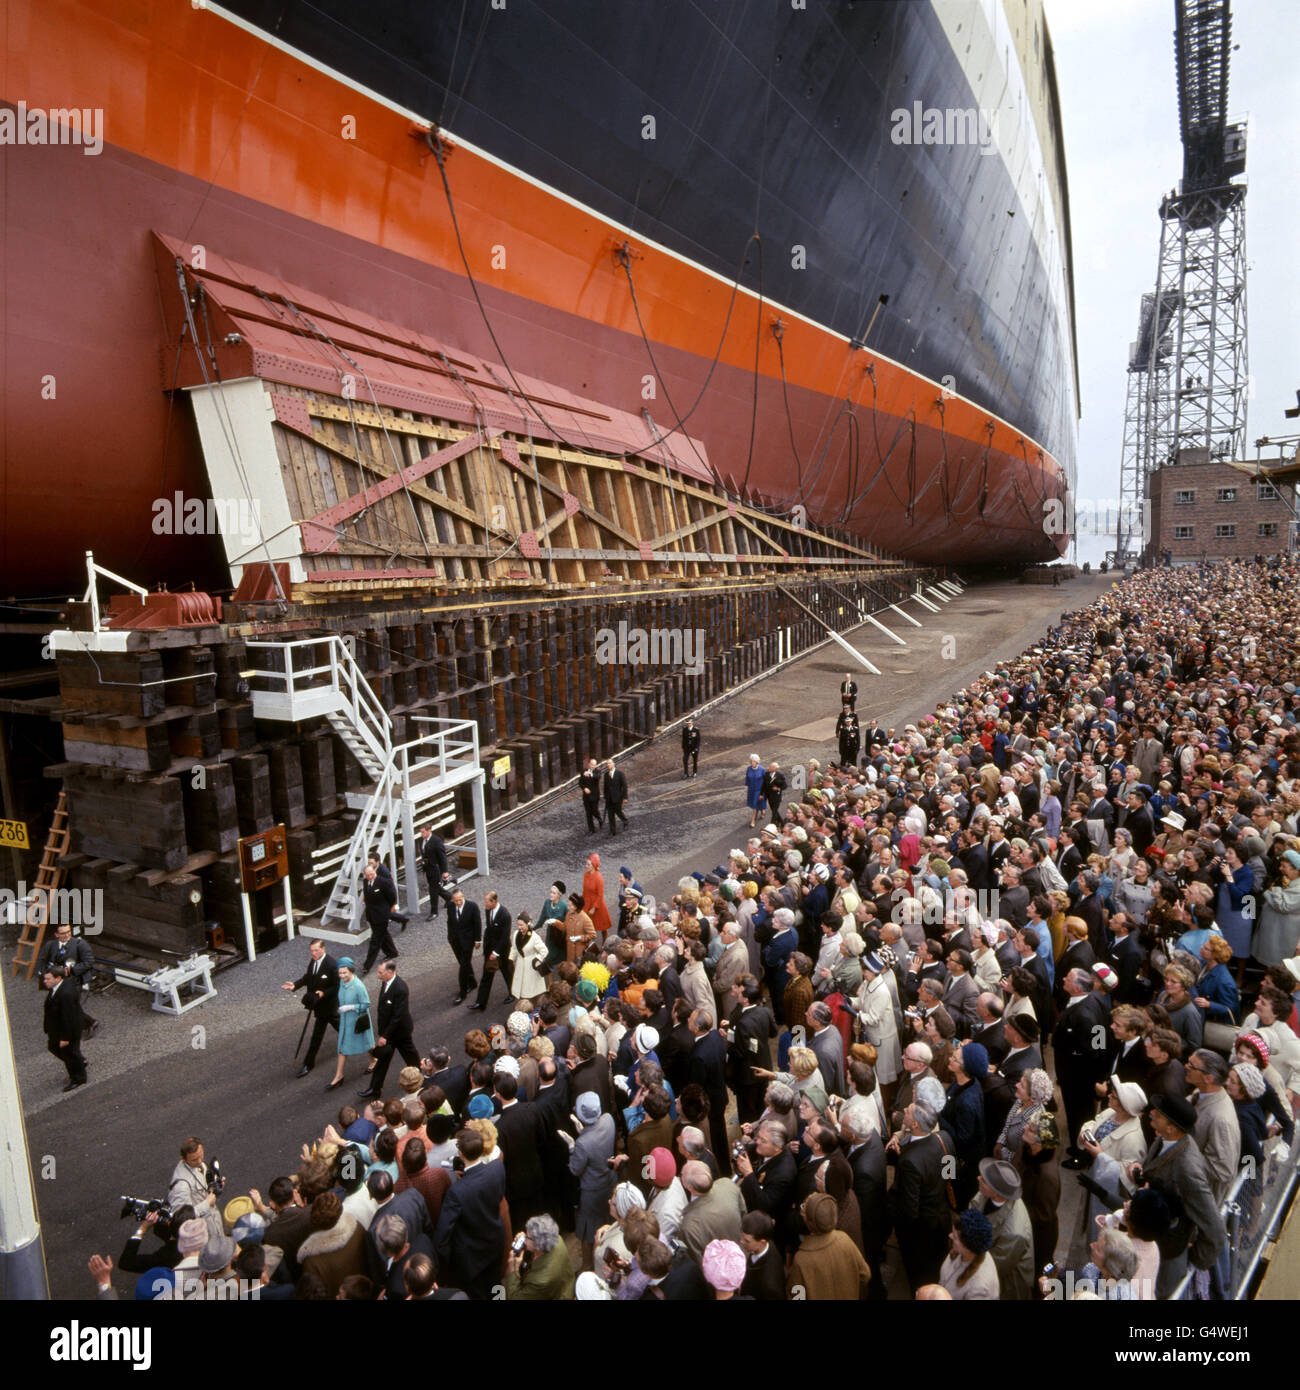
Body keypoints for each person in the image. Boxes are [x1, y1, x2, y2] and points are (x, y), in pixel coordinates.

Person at [1126, 1093, 1226, 1299]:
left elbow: (1215, 1230)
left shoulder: (1188, 1169)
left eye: (1159, 1114)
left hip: (1168, 1255)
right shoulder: (1166, 1139)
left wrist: (1193, 1262)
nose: (1151, 1113)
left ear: (1171, 1128)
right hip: (1154, 1244)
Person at [433, 1127, 507, 1300]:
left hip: (472, 1256)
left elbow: (442, 1236)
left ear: (460, 1153)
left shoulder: (456, 1193)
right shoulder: (497, 1167)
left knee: (478, 1293)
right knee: (496, 1283)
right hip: (495, 1240)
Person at [886, 1101, 951, 1294]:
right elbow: (951, 1174)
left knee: (920, 1277)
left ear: (914, 1125)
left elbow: (910, 1210)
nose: (904, 1111)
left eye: (908, 1111)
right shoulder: (945, 1139)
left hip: (921, 1232)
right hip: (942, 1217)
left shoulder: (909, 1162)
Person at [562, 1091, 616, 1271]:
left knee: (587, 1232)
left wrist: (572, 1147)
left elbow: (575, 1169)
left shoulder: (582, 1144)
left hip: (592, 1192)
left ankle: (587, 1265)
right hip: (609, 1182)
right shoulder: (608, 1119)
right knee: (607, 1221)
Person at [786, 1192, 871, 1300]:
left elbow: (796, 1296)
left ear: (808, 1221)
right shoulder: (844, 1239)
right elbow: (865, 1274)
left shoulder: (801, 1259)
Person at [975, 1158, 1034, 1300]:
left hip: (1008, 1285)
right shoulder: (987, 1194)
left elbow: (994, 1266)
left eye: (983, 1180)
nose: (978, 1178)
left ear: (997, 1194)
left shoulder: (1014, 1232)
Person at [358, 960, 418, 1098]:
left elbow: (398, 1016)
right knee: (383, 1061)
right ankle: (375, 1088)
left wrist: (384, 1036)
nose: (378, 975)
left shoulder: (400, 988)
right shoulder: (386, 982)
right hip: (389, 1032)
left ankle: (421, 1080)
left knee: (411, 1058)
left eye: (380, 972)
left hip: (400, 1032)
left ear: (390, 972)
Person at [284, 939, 340, 1079]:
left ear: (323, 949)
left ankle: (308, 1064)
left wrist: (324, 993)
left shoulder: (332, 964)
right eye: (311, 951)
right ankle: (308, 1064)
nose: (313, 953)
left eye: (316, 950)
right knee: (323, 1033)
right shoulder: (313, 962)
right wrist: (295, 985)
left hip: (329, 1007)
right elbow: (308, 977)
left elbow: (337, 986)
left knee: (333, 1032)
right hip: (319, 1007)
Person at [36, 923, 98, 1036]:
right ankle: (87, 1023)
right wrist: (45, 973)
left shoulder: (80, 944)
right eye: (63, 933)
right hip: (56, 982)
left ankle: (89, 1023)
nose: (67, 935)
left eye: (68, 931)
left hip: (74, 980)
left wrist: (70, 971)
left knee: (68, 1005)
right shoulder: (50, 945)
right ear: (56, 934)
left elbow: (89, 962)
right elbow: (41, 960)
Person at [327, 958, 373, 1091]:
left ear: (351, 971)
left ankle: (374, 1060)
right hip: (345, 1021)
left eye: (345, 973)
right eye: (340, 973)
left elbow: (366, 1004)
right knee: (342, 1047)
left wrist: (349, 1007)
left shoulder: (358, 986)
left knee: (367, 1043)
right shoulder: (342, 982)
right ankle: (339, 1075)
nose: (342, 976)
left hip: (357, 1020)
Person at [504, 1215, 575, 1300]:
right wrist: (526, 1242)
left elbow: (515, 1297)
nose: (524, 1238)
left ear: (538, 1246)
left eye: (527, 1237)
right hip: (565, 1286)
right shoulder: (556, 1239)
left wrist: (513, 1270)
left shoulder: (540, 1281)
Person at [41, 965, 87, 1093]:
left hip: (67, 1030)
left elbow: (68, 1018)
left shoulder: (66, 994)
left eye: (48, 979)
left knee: (70, 1053)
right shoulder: (58, 987)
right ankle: (80, 1062)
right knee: (54, 1047)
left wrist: (65, 1038)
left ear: (58, 978)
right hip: (58, 1028)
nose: (45, 981)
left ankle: (78, 1078)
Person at [938, 1208, 1000, 1300]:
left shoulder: (980, 1289)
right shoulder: (961, 1251)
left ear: (967, 1247)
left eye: (954, 1237)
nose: (950, 1236)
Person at [469, 890, 513, 1011]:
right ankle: (480, 1002)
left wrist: (496, 952)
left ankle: (513, 993)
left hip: (502, 950)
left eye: (487, 902)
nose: (485, 905)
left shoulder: (505, 915)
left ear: (494, 901)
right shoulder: (488, 910)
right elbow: (489, 928)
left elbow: (505, 936)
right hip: (491, 949)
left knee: (507, 972)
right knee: (486, 975)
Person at [360, 864, 399, 975]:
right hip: (371, 915)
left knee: (375, 941)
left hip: (381, 916)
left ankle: (367, 966)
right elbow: (366, 895)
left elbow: (392, 896)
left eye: (371, 874)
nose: (370, 877)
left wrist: (389, 908)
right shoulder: (365, 882)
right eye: (367, 875)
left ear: (375, 872)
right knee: (384, 934)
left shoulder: (383, 882)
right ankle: (392, 952)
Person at [446, 889, 482, 1005]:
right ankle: (472, 982)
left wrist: (477, 940)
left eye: (460, 900)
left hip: (468, 941)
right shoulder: (451, 906)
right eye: (455, 901)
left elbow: (477, 924)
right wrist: (450, 937)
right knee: (463, 963)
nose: (458, 903)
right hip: (455, 941)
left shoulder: (472, 906)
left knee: (463, 966)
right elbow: (450, 922)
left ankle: (462, 993)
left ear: (464, 897)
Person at [508, 913, 549, 1003]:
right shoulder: (515, 934)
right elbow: (514, 948)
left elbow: (544, 951)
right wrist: (510, 959)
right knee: (522, 990)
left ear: (527, 924)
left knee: (531, 993)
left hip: (531, 968)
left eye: (521, 925)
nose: (519, 927)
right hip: (520, 965)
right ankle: (525, 1008)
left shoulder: (534, 937)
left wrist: (537, 959)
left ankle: (530, 1009)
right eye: (518, 925)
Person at [418, 823, 454, 919]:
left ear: (429, 830)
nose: (421, 835)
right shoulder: (422, 841)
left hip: (435, 869)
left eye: (423, 832)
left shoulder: (436, 841)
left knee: (433, 890)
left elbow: (443, 858)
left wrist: (445, 871)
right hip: (428, 869)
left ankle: (434, 912)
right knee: (436, 887)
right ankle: (449, 897)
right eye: (421, 832)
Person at [582, 853, 613, 942]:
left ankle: (605, 939)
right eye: (586, 864)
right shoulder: (586, 875)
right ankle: (588, 942)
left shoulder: (599, 878)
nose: (586, 866)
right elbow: (584, 890)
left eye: (588, 864)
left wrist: (594, 908)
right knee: (588, 924)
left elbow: (600, 895)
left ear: (594, 865)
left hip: (597, 904)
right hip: (587, 903)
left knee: (602, 926)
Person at [603, 758, 629, 835]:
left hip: (618, 797)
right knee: (610, 815)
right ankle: (612, 830)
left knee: (618, 812)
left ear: (613, 764)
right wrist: (605, 797)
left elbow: (624, 786)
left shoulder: (620, 773)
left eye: (610, 763)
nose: (608, 765)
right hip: (609, 798)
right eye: (607, 764)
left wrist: (625, 797)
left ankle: (625, 821)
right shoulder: (606, 775)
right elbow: (605, 787)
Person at [579, 758, 603, 835]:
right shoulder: (583, 771)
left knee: (594, 811)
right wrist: (584, 788)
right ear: (589, 764)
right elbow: (580, 783)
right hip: (586, 796)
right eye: (592, 764)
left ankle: (599, 819)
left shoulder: (597, 771)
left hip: (595, 796)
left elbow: (597, 777)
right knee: (588, 813)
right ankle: (591, 829)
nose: (593, 766)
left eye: (595, 765)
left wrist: (590, 774)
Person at [745, 754, 767, 829]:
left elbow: (766, 781)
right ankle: (762, 811)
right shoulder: (748, 769)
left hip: (759, 790)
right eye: (751, 761)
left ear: (757, 762)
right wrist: (748, 786)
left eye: (754, 761)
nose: (752, 762)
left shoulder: (762, 769)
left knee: (755, 805)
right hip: (751, 790)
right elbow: (747, 778)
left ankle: (753, 820)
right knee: (757, 803)